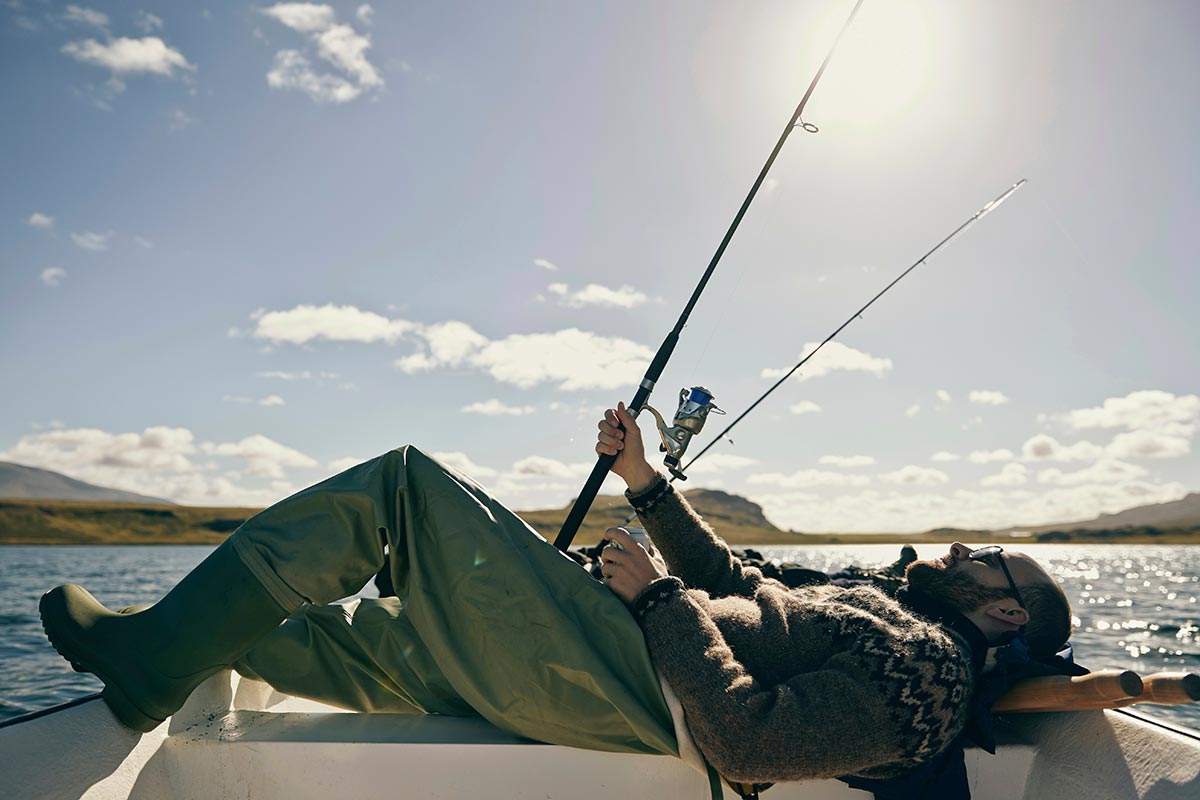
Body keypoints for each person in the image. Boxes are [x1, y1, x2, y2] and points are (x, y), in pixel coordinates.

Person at [40, 401, 1072, 789]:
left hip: (625, 673)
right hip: (609, 653)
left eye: (995, 558)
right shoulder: (888, 603)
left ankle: (141, 665)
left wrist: (659, 601)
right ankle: (159, 648)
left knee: (402, 484)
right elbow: (742, 583)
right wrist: (646, 481)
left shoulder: (932, 671)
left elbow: (754, 743)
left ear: (1008, 613)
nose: (971, 545)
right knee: (326, 639)